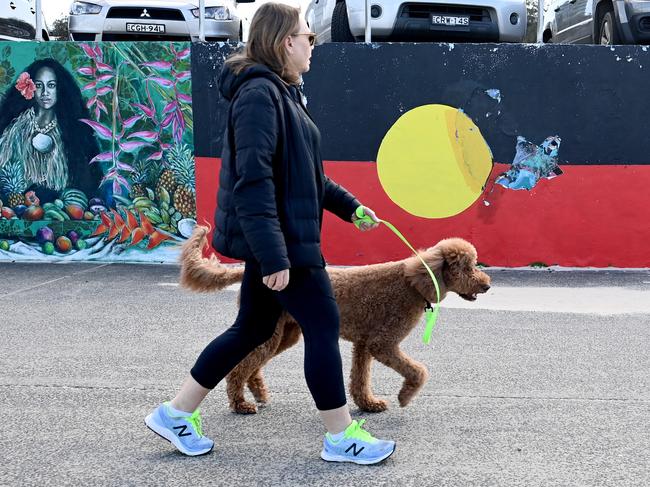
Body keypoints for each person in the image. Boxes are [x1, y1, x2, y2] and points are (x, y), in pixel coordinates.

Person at [145, 2, 396, 465]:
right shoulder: (260, 95)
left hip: (280, 237)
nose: (312, 45)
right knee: (322, 324)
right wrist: (274, 255)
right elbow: (253, 180)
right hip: (282, 241)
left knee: (252, 328)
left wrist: (351, 207)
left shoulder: (283, 92)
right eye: (308, 36)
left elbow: (307, 177)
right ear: (286, 42)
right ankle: (340, 437)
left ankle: (175, 413)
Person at [0, 58, 101, 204]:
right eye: (39, 85)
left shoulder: (73, 131)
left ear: (59, 89)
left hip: (61, 209)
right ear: (31, 88)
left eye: (51, 85)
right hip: (17, 206)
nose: (45, 92)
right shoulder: (16, 129)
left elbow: (88, 180)